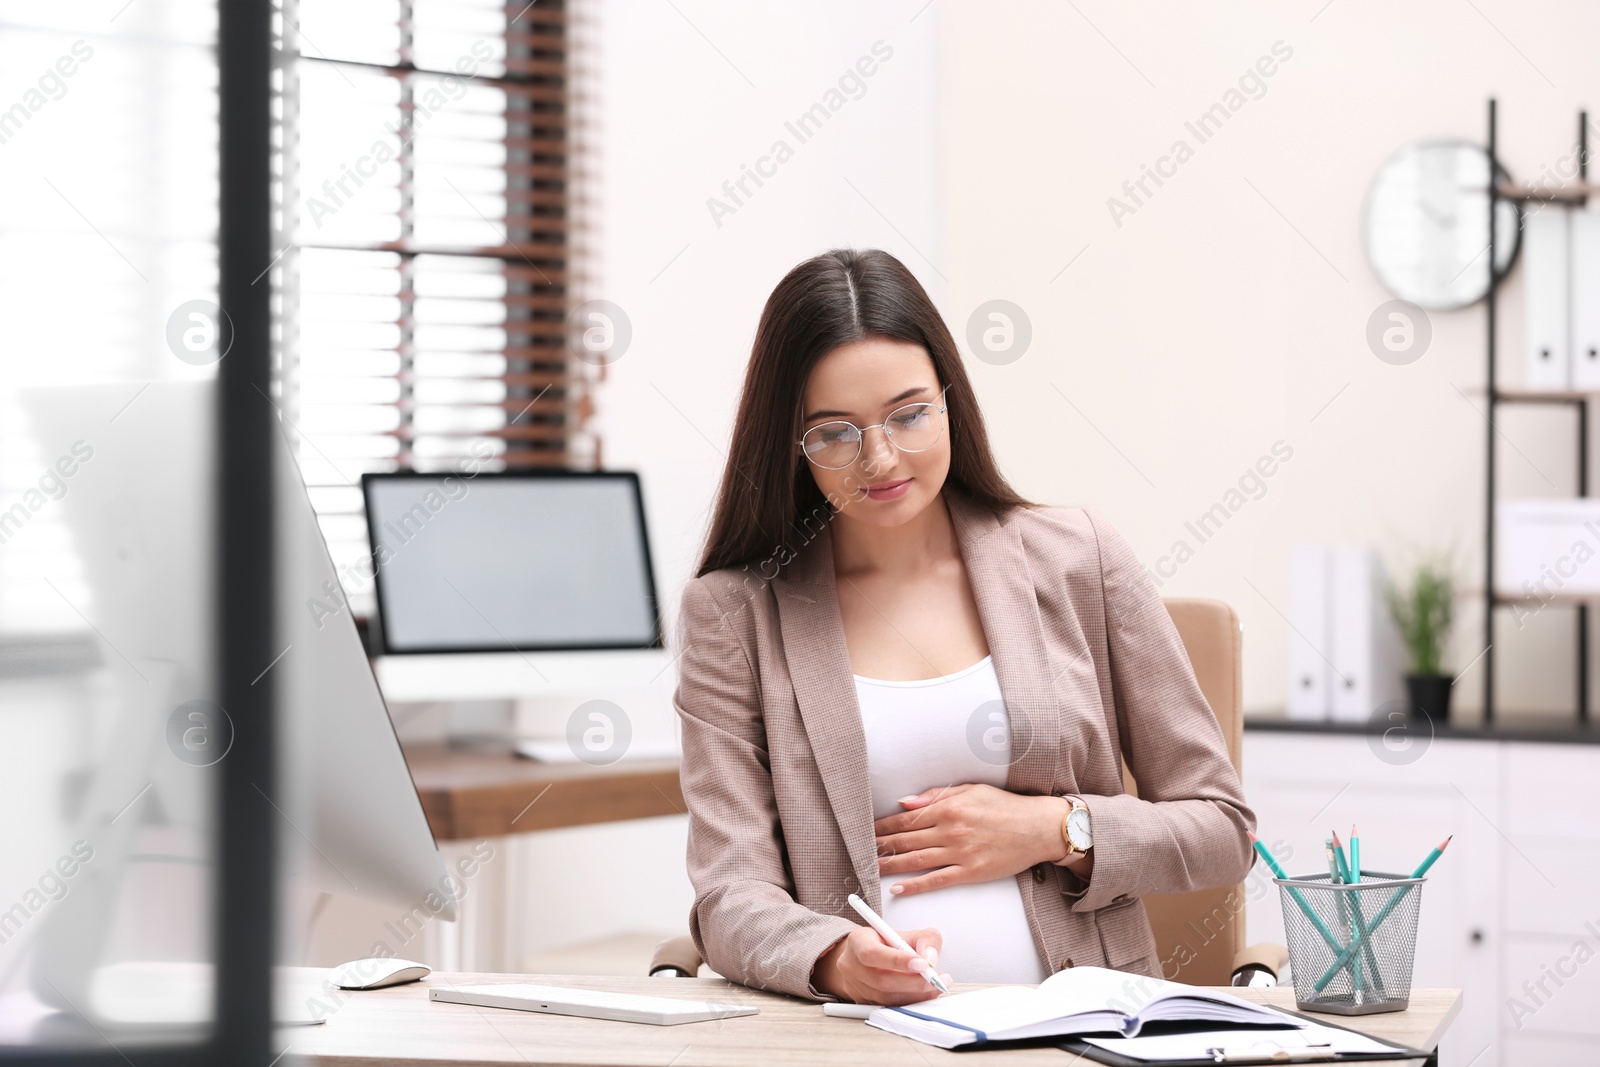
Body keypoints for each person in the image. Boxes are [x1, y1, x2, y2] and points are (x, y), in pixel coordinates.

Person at [672, 247, 1256, 1006]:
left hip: (1085, 1032)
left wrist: (1057, 828)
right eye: (835, 433)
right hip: (859, 1043)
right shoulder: (734, 614)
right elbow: (730, 896)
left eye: (910, 414)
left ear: (951, 399)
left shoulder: (1080, 556)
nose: (880, 458)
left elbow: (1222, 831)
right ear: (791, 443)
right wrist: (835, 958)